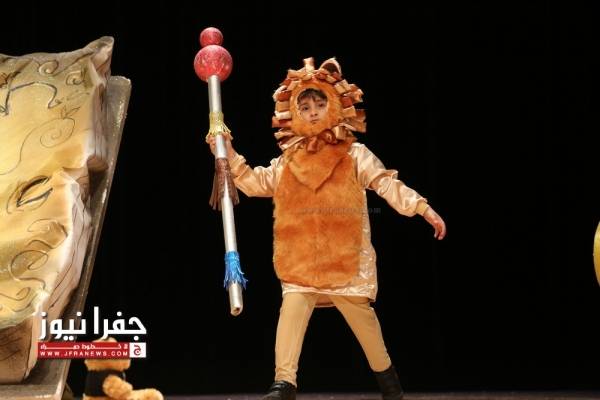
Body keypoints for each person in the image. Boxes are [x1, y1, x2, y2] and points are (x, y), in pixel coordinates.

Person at [207, 57, 446, 400]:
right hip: (302, 259)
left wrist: (421, 207)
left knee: (365, 324)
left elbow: (386, 183)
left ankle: (389, 384)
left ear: (333, 105)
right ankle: (284, 383)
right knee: (291, 311)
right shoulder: (290, 160)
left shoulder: (354, 155)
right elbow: (255, 182)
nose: (313, 113)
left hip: (344, 260)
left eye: (319, 105)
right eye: (304, 107)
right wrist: (226, 152)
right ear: (294, 113)